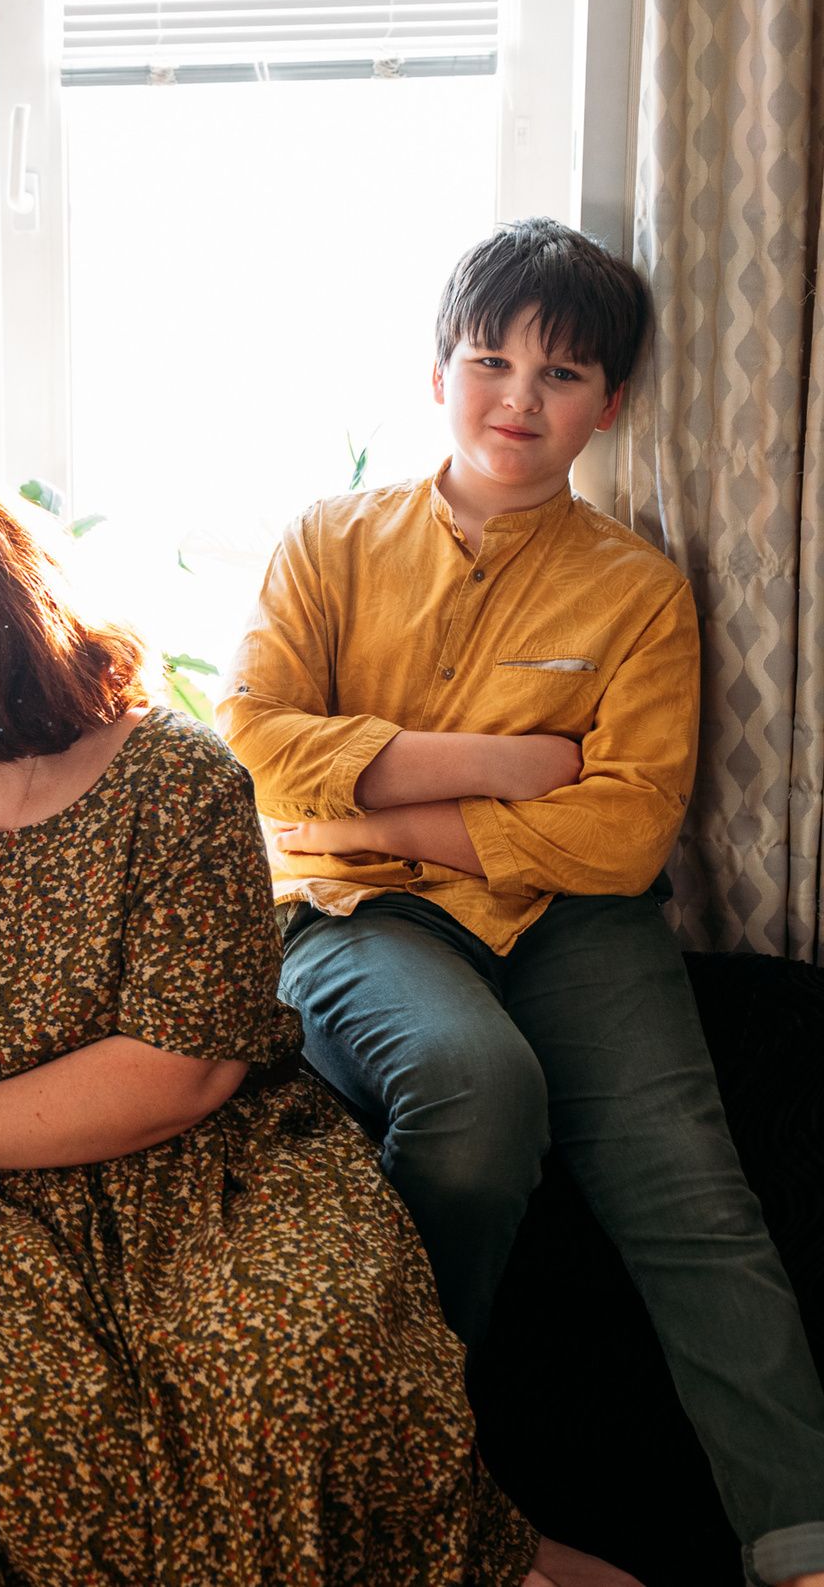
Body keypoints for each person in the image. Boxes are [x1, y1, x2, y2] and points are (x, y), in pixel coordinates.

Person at [0, 475, 545, 1584]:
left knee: (288, 1357)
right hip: (1, 1214)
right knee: (40, 1439)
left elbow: (185, 1071)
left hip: (217, 1167)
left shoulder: (177, 781)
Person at [216, 217, 824, 1587]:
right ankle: (393, 1456)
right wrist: (502, 764)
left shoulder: (638, 590)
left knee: (693, 1195)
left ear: (609, 405)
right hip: (357, 912)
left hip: (571, 915)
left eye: (560, 376)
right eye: (490, 360)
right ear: (439, 371)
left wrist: (382, 800)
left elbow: (619, 827)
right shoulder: (327, 541)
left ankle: (803, 1542)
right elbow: (253, 735)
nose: (518, 400)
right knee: (474, 1087)